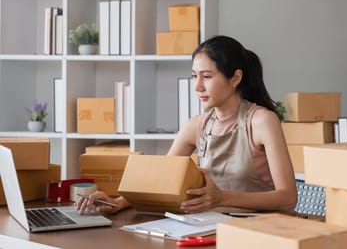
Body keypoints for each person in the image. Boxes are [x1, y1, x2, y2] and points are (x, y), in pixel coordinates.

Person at [77, 35, 297, 215]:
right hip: (211, 227)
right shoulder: (195, 126)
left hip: (261, 231)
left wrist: (221, 197)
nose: (197, 87)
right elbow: (160, 181)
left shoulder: (261, 121)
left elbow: (287, 198)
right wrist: (118, 202)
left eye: (207, 76)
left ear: (236, 78)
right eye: (194, 76)